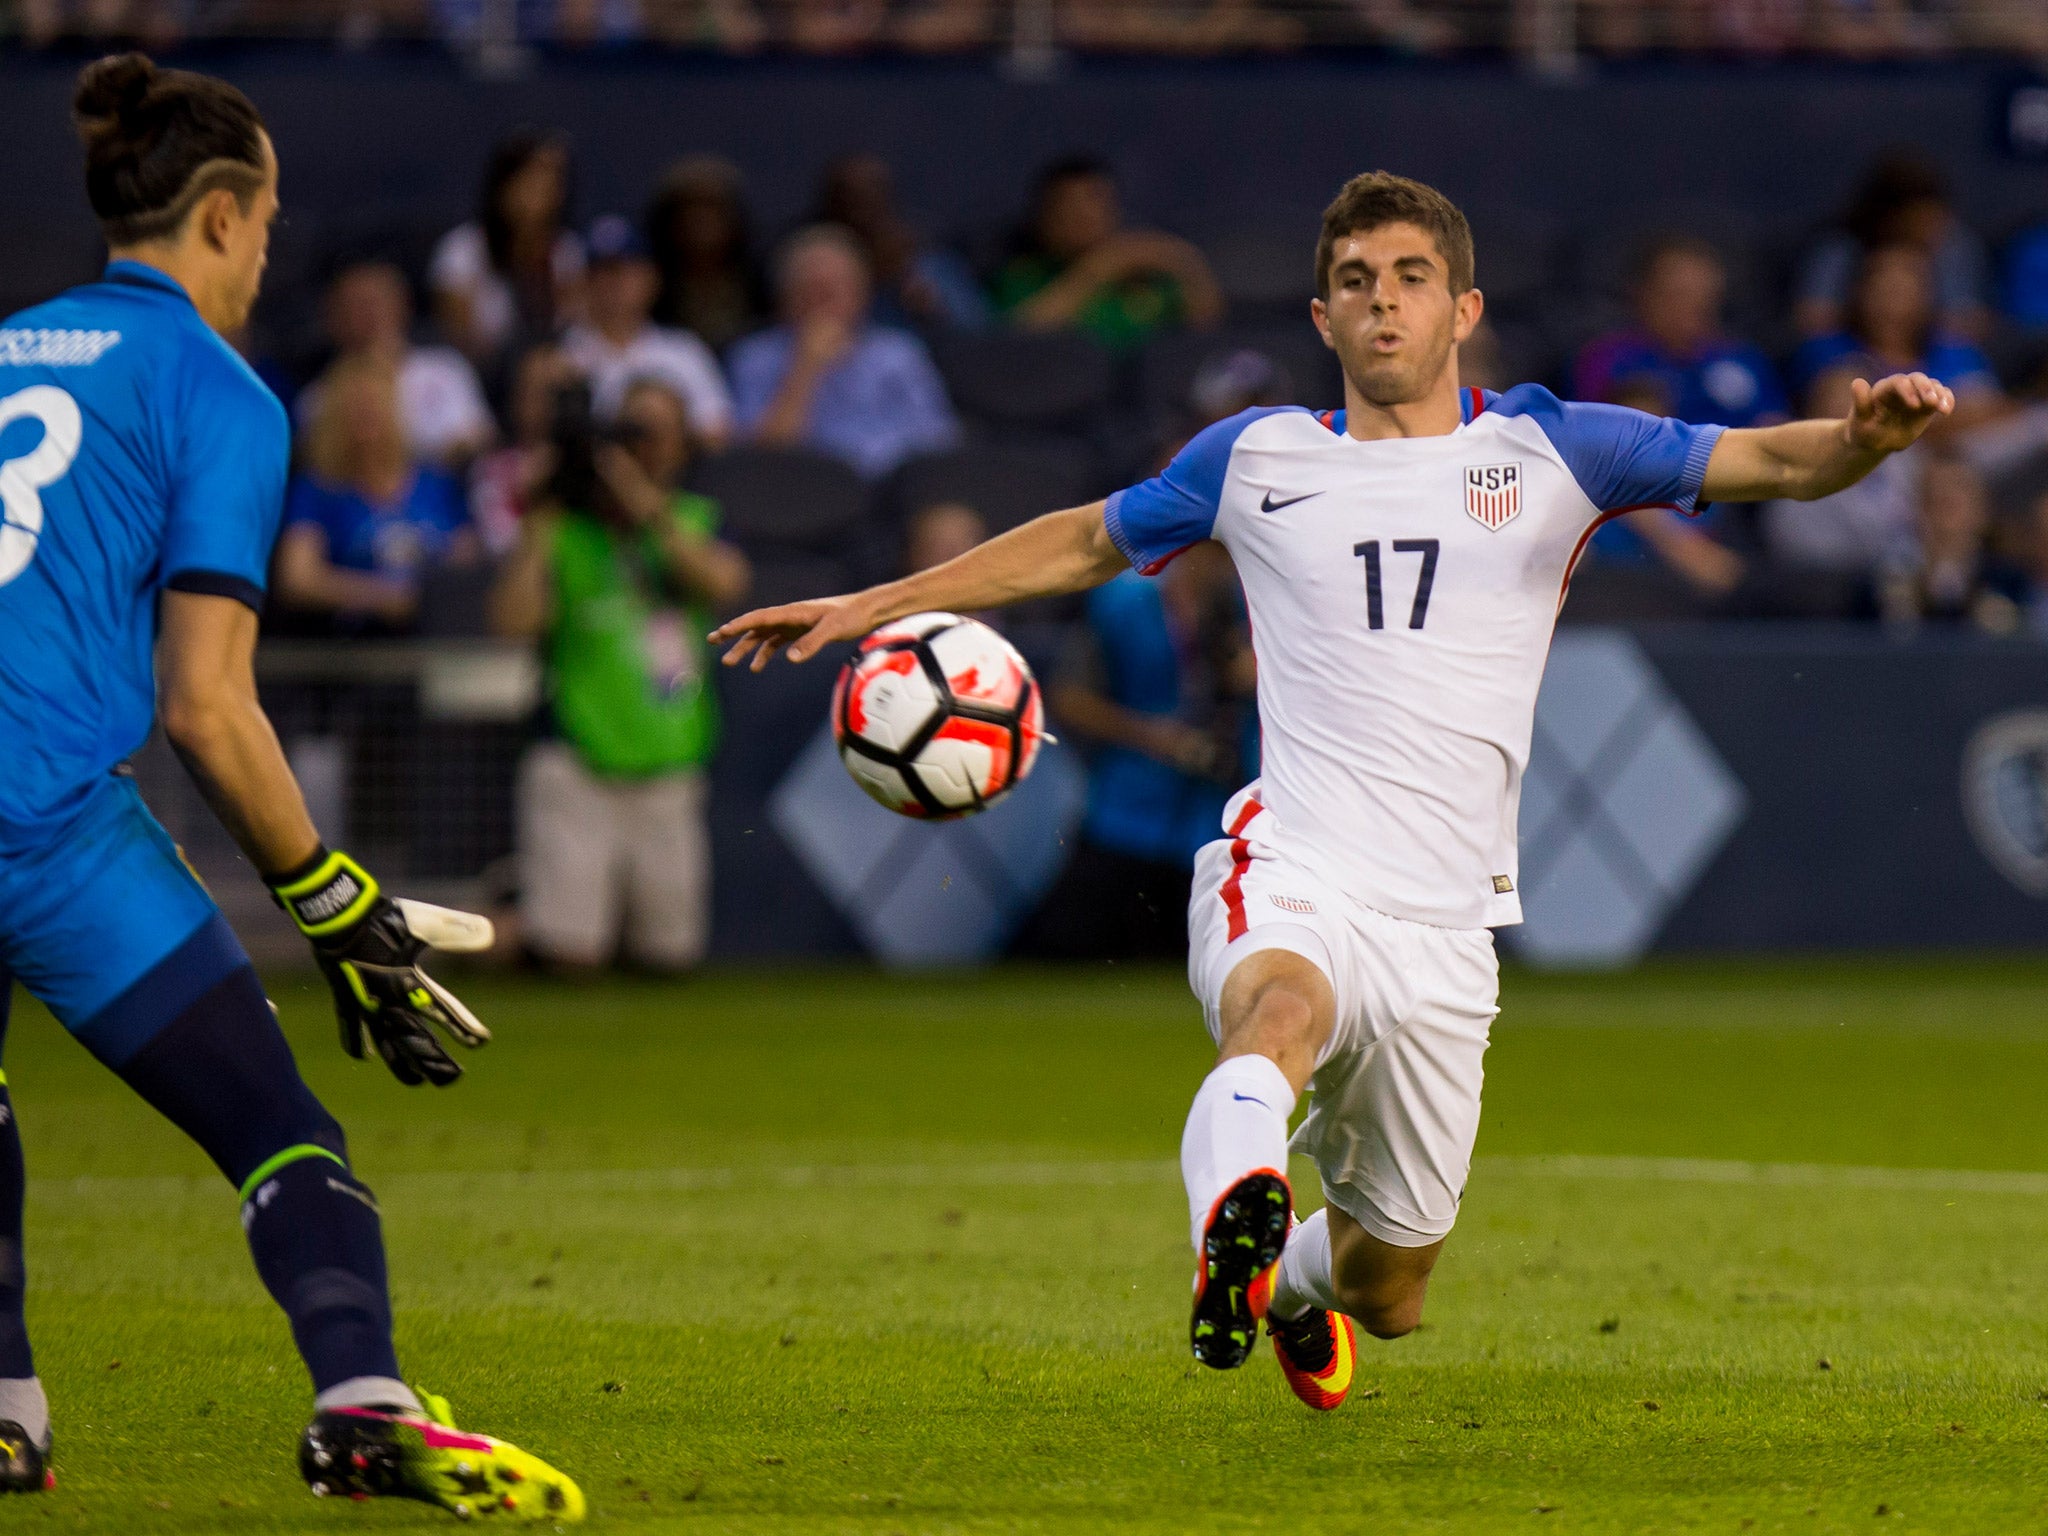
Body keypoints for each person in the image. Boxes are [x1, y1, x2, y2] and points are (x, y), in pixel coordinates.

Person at [710, 170, 1952, 1415]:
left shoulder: (1553, 447)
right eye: (1354, 283)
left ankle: (1291, 1285)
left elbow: (1770, 467)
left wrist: (1858, 441)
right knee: (1275, 1019)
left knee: (1391, 1288)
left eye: (1409, 279)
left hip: (1449, 923)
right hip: (1294, 858)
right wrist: (871, 606)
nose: (1382, 305)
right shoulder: (1252, 457)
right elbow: (1084, 539)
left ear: (1461, 308)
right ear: (1320, 318)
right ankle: (1234, 1222)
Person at [0, 54, 580, 1515]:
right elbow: (205, 703)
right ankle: (361, 1401)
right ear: (217, 215)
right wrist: (334, 901)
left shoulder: (8, 344)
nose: (269, 249)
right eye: (264, 219)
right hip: (49, 833)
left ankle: (7, 1414)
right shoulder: (219, 389)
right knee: (279, 1131)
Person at [489, 377, 750, 971]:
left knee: (669, 954)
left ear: (683, 444)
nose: (641, 447)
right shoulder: (566, 533)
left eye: (655, 432)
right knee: (569, 952)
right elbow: (511, 621)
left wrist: (644, 506)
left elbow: (722, 582)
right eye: (629, 431)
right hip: (578, 753)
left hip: (668, 756)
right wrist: (539, 517)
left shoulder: (693, 518)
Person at [1021, 541, 1257, 960]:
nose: (1221, 566)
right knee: (1069, 948)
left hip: (1223, 808)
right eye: (1212, 551)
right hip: (1126, 811)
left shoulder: (1254, 606)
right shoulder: (1122, 602)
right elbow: (1069, 698)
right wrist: (1153, 737)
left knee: (1205, 961)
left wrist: (1264, 674)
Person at [729, 225, 959, 479]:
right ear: (783, 297)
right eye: (808, 291)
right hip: (798, 491)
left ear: (862, 294)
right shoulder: (754, 357)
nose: (820, 304)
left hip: (892, 488)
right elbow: (758, 458)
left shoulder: (898, 353)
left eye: (832, 291)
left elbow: (939, 442)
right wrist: (806, 367)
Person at [274, 354, 480, 633]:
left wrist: (425, 595)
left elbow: (467, 561)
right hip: (352, 646)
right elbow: (299, 578)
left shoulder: (436, 483)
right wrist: (386, 597)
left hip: (433, 639)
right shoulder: (318, 490)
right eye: (356, 407)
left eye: (375, 404)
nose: (368, 416)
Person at [993, 156, 1224, 354]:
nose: (1084, 217)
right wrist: (1098, 270)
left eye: (1094, 201)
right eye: (1070, 206)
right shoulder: (1023, 277)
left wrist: (1184, 260)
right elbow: (1017, 341)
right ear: (1045, 214)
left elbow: (1206, 336)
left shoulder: (1146, 276)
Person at [297, 258, 495, 468]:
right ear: (334, 320)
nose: (368, 315)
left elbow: (479, 440)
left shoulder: (445, 367)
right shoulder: (319, 397)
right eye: (354, 307)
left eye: (375, 303)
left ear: (403, 305)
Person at [1572, 236, 1786, 430]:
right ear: (1643, 294)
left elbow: (1775, 427)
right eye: (1679, 293)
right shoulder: (1608, 359)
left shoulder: (1743, 358)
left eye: (1704, 294)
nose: (1695, 305)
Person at [1788, 243, 2003, 432]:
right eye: (1882, 286)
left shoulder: (1956, 349)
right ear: (1858, 292)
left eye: (1904, 287)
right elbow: (1842, 420)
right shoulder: (1825, 348)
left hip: (1959, 456)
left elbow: (1995, 412)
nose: (1892, 301)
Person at [561, 214, 733, 442]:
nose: (612, 284)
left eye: (623, 271)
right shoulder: (560, 355)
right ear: (582, 281)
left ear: (651, 278)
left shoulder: (683, 351)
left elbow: (717, 434)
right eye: (600, 272)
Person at [1795, 154, 1988, 341]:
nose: (1931, 228)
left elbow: (1970, 322)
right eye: (1919, 218)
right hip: (1852, 351)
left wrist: (1912, 321)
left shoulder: (1953, 245)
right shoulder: (1840, 249)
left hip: (1929, 356)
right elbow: (1812, 319)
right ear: (1891, 216)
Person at [429, 134, 584, 364]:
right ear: (504, 186)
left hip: (548, 367)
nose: (539, 194)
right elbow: (456, 339)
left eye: (550, 183)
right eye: (529, 180)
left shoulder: (567, 251)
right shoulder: (462, 249)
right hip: (483, 371)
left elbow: (576, 326)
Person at [811, 154, 990, 331]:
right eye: (849, 197)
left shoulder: (923, 256)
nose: (861, 209)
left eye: (872, 193)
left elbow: (979, 328)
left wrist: (931, 305)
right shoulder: (812, 261)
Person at [645, 156, 768, 354]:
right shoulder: (652, 288)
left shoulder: (760, 285)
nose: (701, 223)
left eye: (712, 209)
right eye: (690, 210)